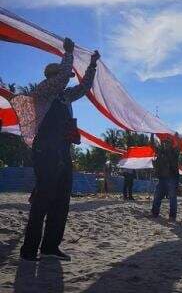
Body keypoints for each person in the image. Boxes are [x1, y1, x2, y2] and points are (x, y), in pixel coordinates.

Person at [16, 38, 100, 261]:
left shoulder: (64, 96)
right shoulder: (43, 91)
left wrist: (92, 65)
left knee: (61, 201)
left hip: (62, 153)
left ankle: (50, 247)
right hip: (46, 152)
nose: (67, 80)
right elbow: (64, 76)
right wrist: (69, 53)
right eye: (63, 76)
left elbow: (84, 88)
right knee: (43, 199)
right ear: (53, 76)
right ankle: (29, 250)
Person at [151, 133, 181, 221]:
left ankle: (172, 216)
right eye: (164, 143)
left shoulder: (174, 152)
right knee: (157, 196)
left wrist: (177, 138)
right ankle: (154, 213)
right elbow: (152, 145)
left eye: (168, 143)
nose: (165, 144)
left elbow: (179, 146)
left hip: (172, 178)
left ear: (171, 144)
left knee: (172, 198)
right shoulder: (160, 152)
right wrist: (152, 135)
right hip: (162, 178)